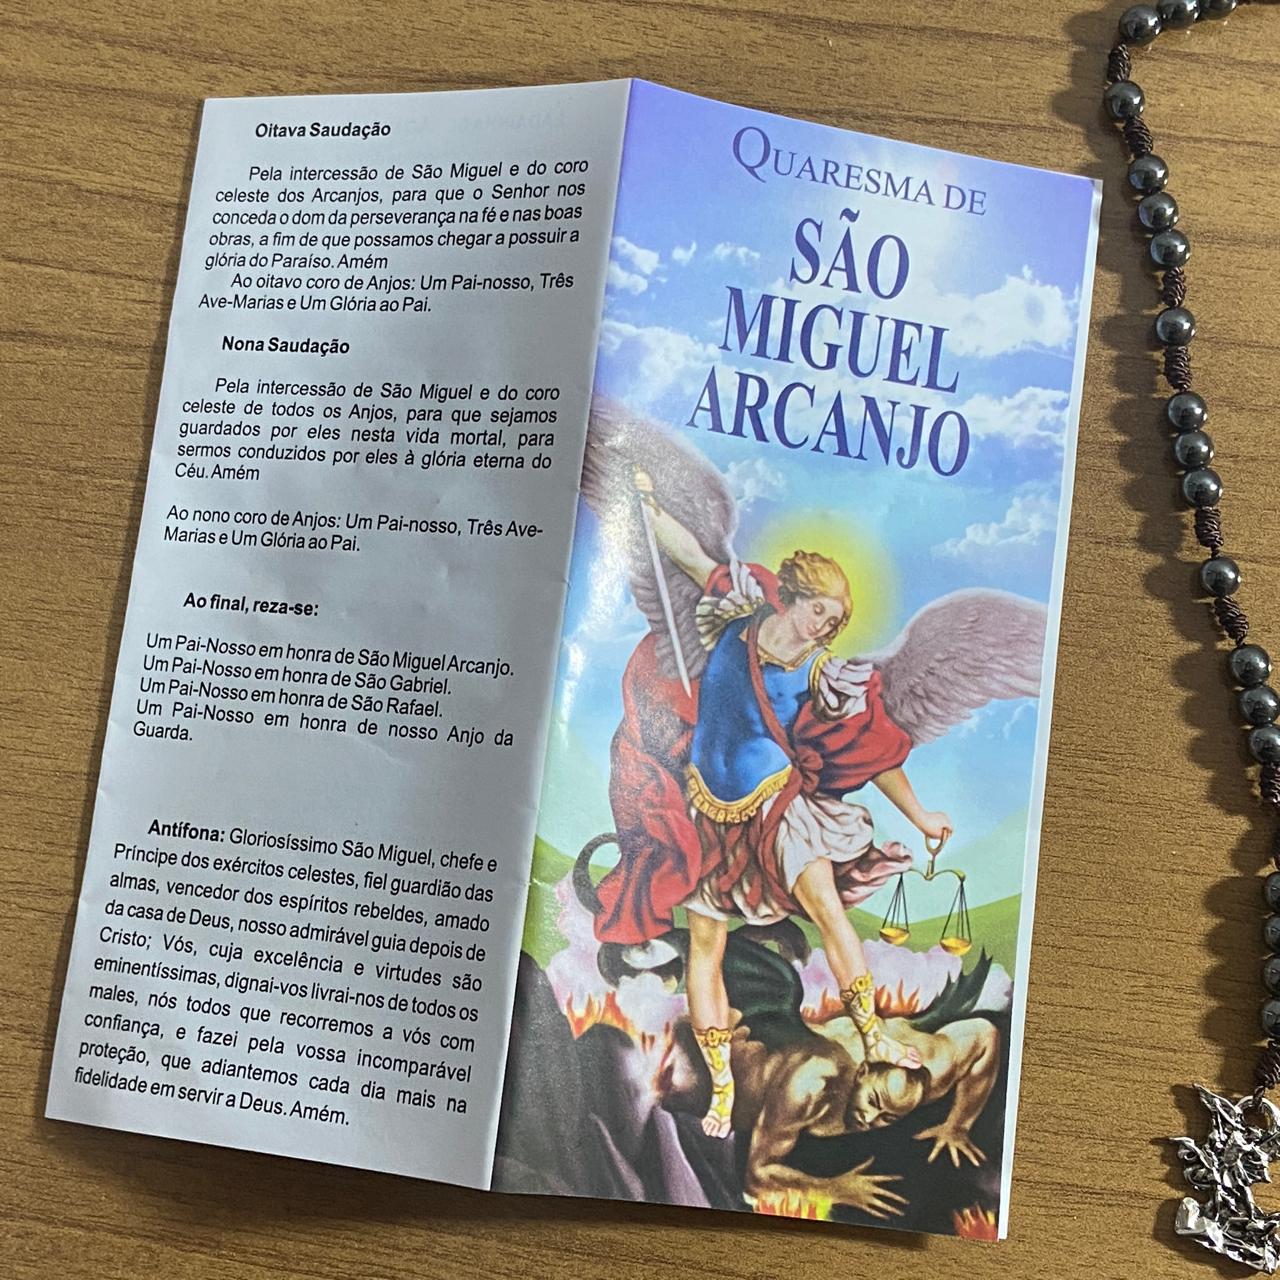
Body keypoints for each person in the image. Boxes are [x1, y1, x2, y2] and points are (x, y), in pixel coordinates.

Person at [593, 476, 953, 1138]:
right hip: (705, 809)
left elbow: (875, 752)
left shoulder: (823, 676)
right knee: (705, 947)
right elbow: (690, 555)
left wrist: (922, 816)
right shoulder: (736, 615)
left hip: (780, 809)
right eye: (822, 612)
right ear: (794, 597)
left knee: (828, 910)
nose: (827, 627)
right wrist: (647, 506)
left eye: (836, 622)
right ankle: (722, 1089)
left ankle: (872, 1036)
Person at [656, 1004, 1000, 1217]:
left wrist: (958, 1124)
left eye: (889, 1118)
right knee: (668, 1088)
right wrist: (834, 1189)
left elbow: (985, 1036)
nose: (872, 1120)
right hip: (726, 1076)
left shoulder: (929, 1071)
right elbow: (757, 1177)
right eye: (873, 1102)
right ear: (863, 1072)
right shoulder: (811, 1085)